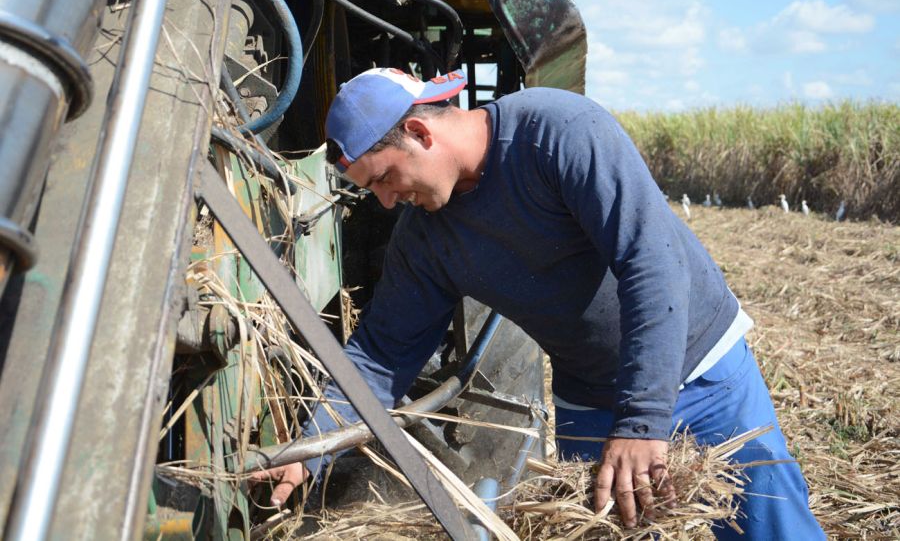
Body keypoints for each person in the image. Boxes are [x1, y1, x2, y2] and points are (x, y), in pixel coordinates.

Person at [286, 67, 824, 539]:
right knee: (604, 531)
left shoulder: (556, 132)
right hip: (590, 398)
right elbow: (382, 354)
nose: (384, 200)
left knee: (767, 521)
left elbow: (652, 262)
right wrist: (315, 448)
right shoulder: (424, 237)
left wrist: (641, 424)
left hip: (700, 367)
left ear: (420, 132)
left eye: (382, 178)